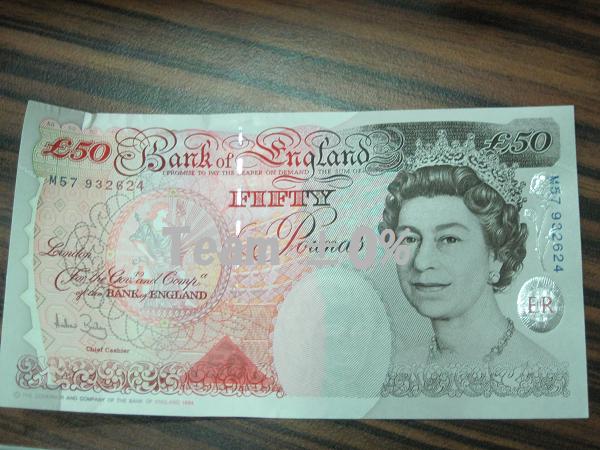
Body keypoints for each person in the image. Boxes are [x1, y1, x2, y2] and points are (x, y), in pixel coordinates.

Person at [380, 132, 555, 367]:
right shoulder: (397, 368)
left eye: (449, 239)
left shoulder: (538, 370)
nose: (421, 262)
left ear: (497, 254)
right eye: (409, 239)